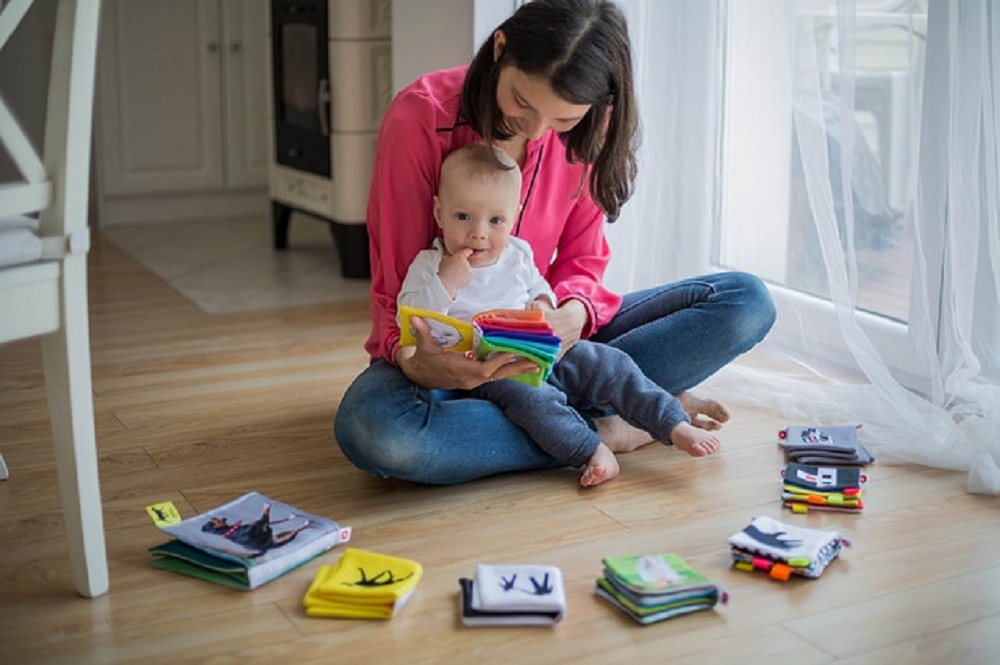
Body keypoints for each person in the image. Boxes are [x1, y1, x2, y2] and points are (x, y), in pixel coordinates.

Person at [334, 0, 775, 485]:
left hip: (551, 348)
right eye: (522, 102)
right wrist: (419, 365)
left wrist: (569, 316)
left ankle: (586, 414)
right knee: (376, 432)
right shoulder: (421, 117)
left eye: (562, 120)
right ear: (500, 49)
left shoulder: (590, 126)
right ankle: (615, 424)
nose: (538, 130)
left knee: (745, 301)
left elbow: (584, 260)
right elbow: (396, 288)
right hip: (448, 363)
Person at [399, 142, 721, 488]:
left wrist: (543, 304)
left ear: (514, 216)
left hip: (542, 349)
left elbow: (540, 284)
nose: (479, 232)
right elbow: (414, 318)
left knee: (609, 363)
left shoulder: (517, 253)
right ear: (439, 213)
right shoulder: (429, 265)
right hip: (493, 372)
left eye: (496, 220)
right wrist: (446, 282)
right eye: (463, 217)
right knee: (535, 402)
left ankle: (673, 422)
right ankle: (590, 448)